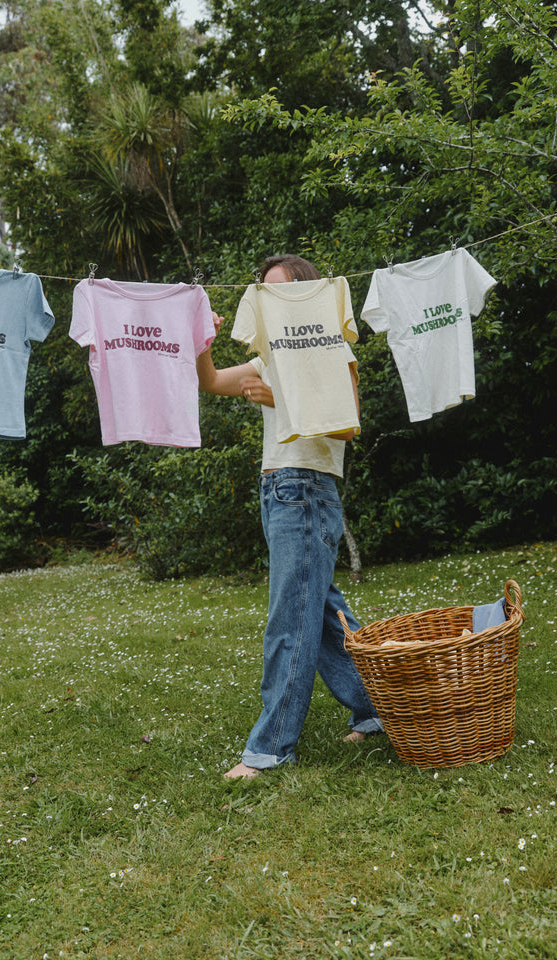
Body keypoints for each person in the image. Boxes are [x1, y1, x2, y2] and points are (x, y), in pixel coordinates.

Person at [196, 254, 382, 779]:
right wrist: (200, 341)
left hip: (306, 488)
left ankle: (272, 746)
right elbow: (208, 382)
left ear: (304, 293)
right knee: (320, 614)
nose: (270, 300)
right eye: (264, 292)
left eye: (278, 290)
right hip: (277, 486)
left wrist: (280, 398)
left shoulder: (331, 345)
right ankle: (379, 709)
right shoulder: (268, 354)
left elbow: (348, 424)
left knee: (291, 618)